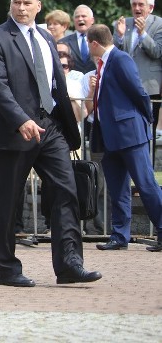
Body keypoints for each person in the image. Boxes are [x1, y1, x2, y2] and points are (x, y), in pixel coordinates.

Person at [0, 0, 101, 287]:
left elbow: (55, 85)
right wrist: (21, 120)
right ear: (11, 4)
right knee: (8, 203)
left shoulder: (47, 38)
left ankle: (70, 264)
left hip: (51, 129)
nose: (21, 7)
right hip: (14, 131)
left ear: (38, 6)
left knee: (67, 191)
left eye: (27, 3)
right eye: (16, 2)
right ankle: (8, 269)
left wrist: (62, 122)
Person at [86, 24, 162, 252]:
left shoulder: (120, 59)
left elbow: (139, 91)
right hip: (110, 135)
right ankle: (120, 236)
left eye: (89, 45)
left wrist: (146, 118)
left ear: (94, 43)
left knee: (145, 183)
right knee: (117, 188)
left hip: (129, 133)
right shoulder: (105, 62)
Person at [113, 0, 162, 157]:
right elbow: (114, 54)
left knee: (148, 128)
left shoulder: (159, 24)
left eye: (141, 4)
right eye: (134, 4)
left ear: (151, 7)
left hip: (149, 87)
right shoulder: (122, 24)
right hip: (124, 87)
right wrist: (119, 37)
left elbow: (157, 52)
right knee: (127, 128)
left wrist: (143, 34)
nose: (137, 8)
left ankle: (147, 168)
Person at [58, 5, 96, 74]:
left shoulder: (99, 40)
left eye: (83, 16)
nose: (80, 19)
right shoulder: (63, 43)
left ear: (92, 20)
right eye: (77, 17)